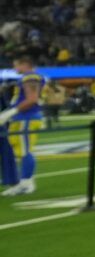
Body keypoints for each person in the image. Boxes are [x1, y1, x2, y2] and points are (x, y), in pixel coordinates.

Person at [1, 54, 44, 197]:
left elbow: (32, 99)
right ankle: (26, 182)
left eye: (16, 64)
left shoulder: (29, 77)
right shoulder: (29, 77)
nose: (15, 68)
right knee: (22, 150)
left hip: (26, 117)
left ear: (24, 64)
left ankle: (25, 184)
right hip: (24, 117)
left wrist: (12, 111)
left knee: (25, 151)